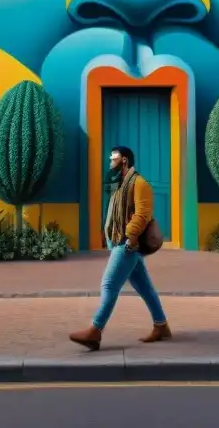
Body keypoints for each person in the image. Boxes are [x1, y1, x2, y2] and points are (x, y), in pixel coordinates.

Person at [69, 145, 171, 350]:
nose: (110, 162)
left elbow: (142, 214)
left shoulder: (140, 183)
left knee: (109, 285)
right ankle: (161, 326)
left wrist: (131, 237)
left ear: (124, 160)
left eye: (113, 158)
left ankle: (95, 331)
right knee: (144, 287)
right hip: (117, 241)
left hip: (127, 244)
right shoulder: (120, 183)